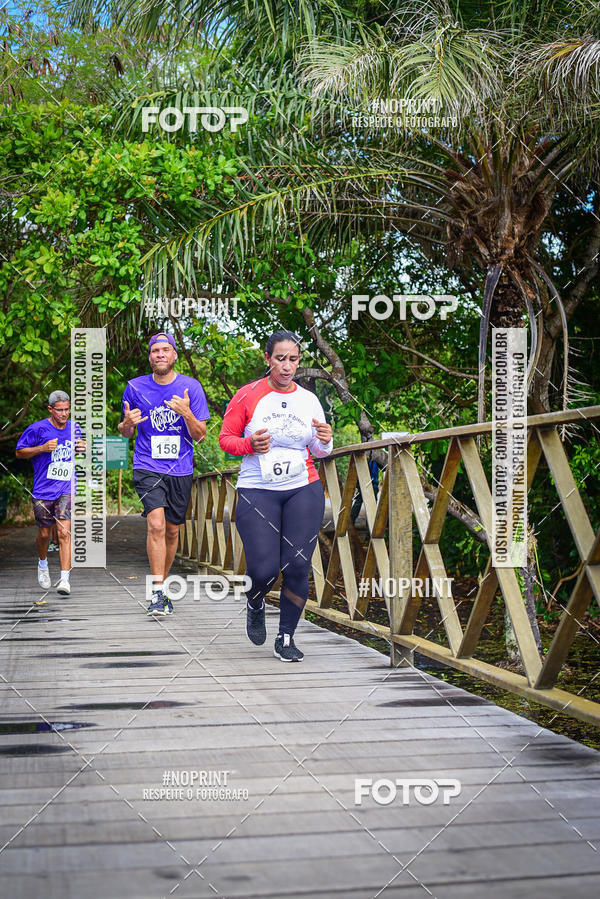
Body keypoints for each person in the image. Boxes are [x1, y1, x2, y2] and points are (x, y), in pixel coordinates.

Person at [219, 329, 333, 661]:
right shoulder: (247, 395)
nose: (286, 366)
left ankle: (286, 637)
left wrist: (326, 439)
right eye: (280, 359)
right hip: (258, 489)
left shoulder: (309, 400)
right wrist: (248, 444)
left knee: (297, 565)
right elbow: (226, 439)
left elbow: (320, 450)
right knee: (264, 570)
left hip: (303, 486)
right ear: (267, 359)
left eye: (293, 359)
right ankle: (255, 601)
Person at [119, 333, 209, 616]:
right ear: (150, 356)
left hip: (180, 468)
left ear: (174, 355)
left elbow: (201, 435)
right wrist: (126, 424)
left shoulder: (191, 387)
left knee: (172, 530)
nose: (160, 354)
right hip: (147, 464)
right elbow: (125, 431)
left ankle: (162, 586)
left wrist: (187, 414)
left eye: (165, 350)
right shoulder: (134, 387)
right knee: (156, 524)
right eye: (155, 350)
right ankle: (157, 592)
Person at [15, 391, 84, 595]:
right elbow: (19, 452)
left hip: (67, 487)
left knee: (63, 532)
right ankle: (43, 563)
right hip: (43, 489)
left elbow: (76, 449)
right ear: (50, 409)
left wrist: (81, 448)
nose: (64, 414)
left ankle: (65, 580)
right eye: (60, 410)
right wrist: (42, 448)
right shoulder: (37, 428)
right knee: (45, 533)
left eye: (67, 409)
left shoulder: (74, 428)